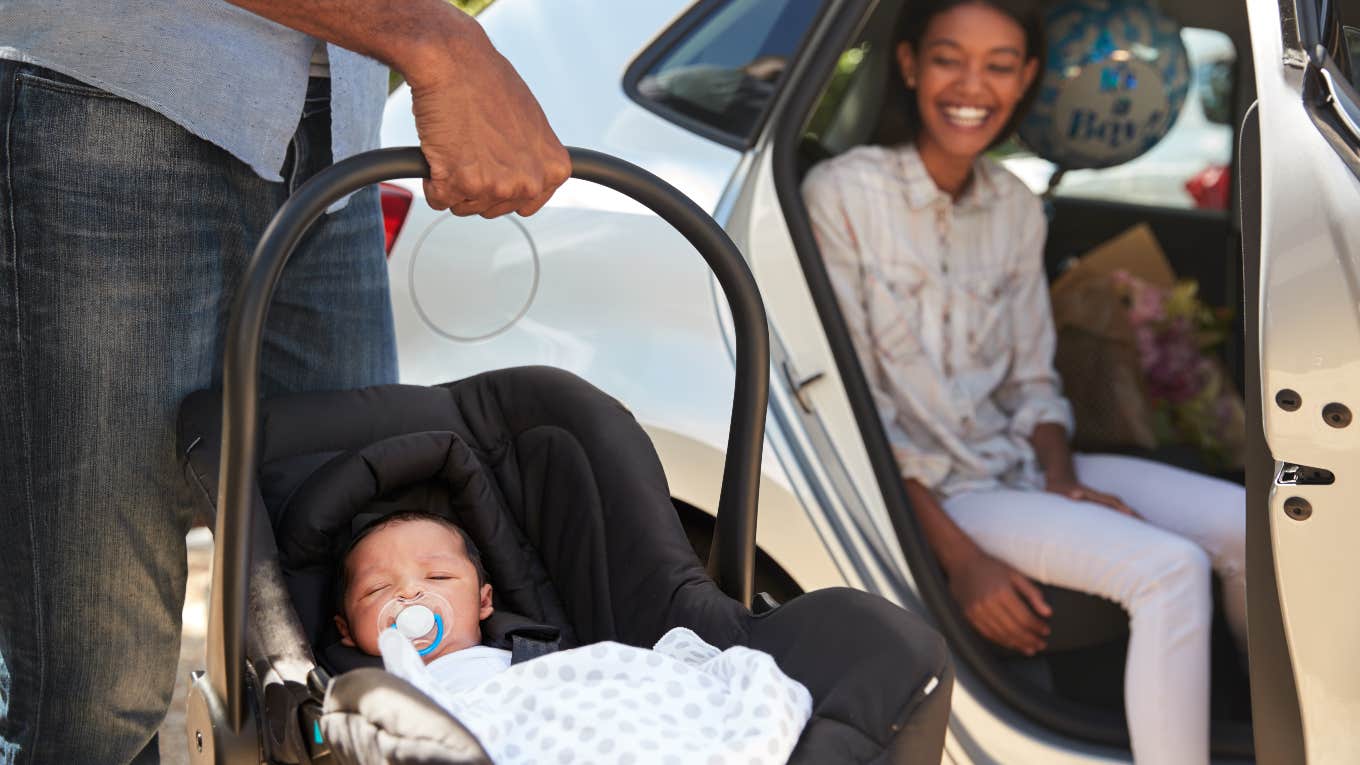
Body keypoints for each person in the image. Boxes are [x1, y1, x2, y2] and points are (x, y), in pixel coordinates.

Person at [0, 1, 570, 762]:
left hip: (335, 120)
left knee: (310, 654)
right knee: (97, 684)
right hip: (112, 87)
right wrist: (434, 38)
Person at [800, 1, 1246, 762]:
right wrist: (960, 558)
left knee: (1251, 523)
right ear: (909, 65)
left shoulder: (1013, 206)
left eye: (999, 65)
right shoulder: (842, 194)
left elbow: (1036, 378)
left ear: (1027, 78)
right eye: (948, 58)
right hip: (944, 491)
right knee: (1170, 569)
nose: (971, 85)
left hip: (1021, 462)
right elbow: (857, 414)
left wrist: (1062, 475)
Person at [334, 512, 812, 765]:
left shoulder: (537, 658)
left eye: (437, 577)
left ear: (484, 602)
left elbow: (599, 686)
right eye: (378, 589)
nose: (410, 593)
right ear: (346, 631)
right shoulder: (367, 690)